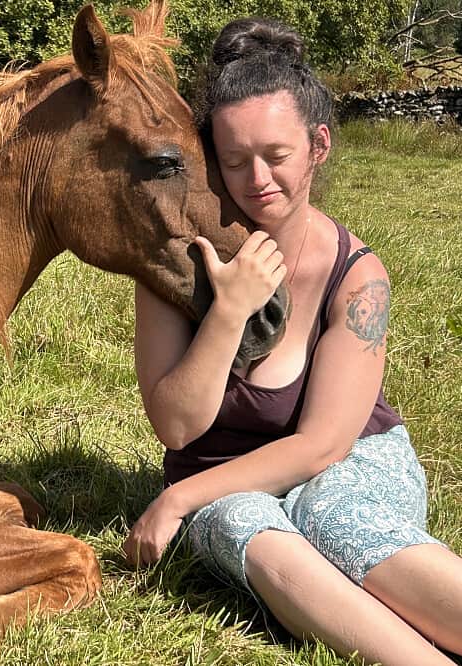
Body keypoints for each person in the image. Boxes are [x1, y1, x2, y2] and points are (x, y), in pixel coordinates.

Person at [121, 17, 462, 664]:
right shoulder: (172, 267)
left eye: (276, 156)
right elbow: (175, 427)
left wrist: (176, 498)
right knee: (242, 521)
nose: (257, 180)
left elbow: (324, 444)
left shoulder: (357, 277)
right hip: (223, 482)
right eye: (233, 160)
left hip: (350, 461)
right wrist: (228, 314)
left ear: (319, 146)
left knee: (326, 507)